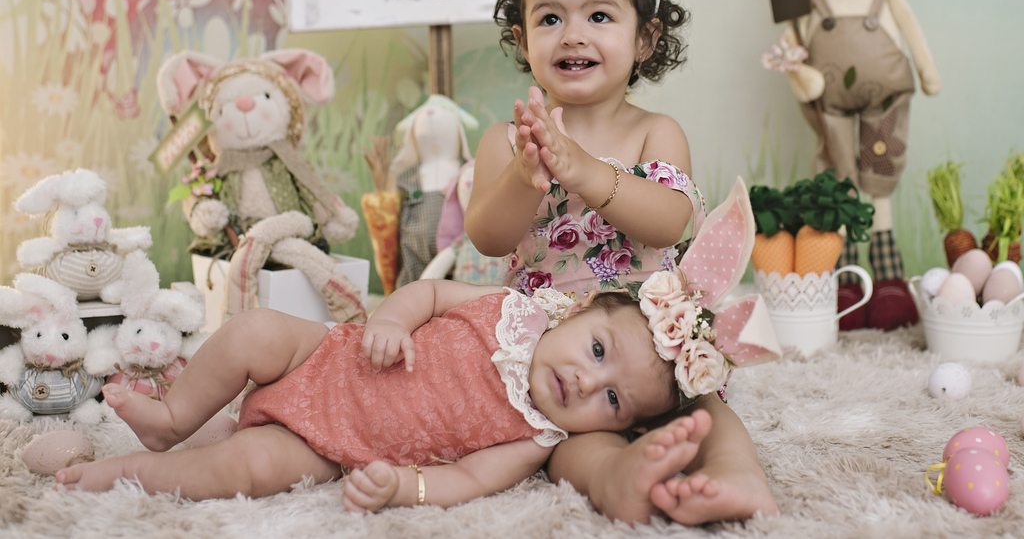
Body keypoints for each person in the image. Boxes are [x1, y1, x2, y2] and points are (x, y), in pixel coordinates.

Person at [465, 0, 780, 524]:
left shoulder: (653, 132)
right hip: (554, 348)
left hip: (647, 336)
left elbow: (671, 221)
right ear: (521, 38)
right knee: (559, 443)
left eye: (599, 15)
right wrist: (524, 174)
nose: (573, 34)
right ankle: (619, 477)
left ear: (645, 37)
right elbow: (488, 238)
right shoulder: (508, 140)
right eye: (550, 18)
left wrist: (585, 171)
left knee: (703, 404)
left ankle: (737, 473)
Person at [55, 278, 712, 512]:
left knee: (248, 467)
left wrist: (404, 487)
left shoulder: (534, 437)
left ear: (617, 428)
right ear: (581, 311)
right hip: (324, 354)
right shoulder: (513, 307)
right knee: (255, 328)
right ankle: (173, 418)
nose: (589, 382)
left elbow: (467, 481)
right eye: (597, 351)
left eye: (613, 401)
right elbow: (430, 292)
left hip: (325, 445)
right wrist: (392, 320)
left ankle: (127, 472)